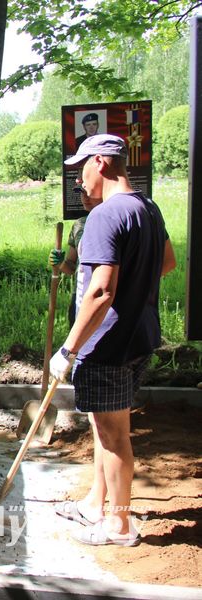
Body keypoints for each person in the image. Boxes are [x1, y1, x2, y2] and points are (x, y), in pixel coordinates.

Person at [49, 134, 177, 547]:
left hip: (106, 344)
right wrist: (135, 288)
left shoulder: (105, 215)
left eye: (81, 166)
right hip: (139, 337)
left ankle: (120, 526)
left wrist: (69, 347)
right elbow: (168, 261)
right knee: (103, 424)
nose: (79, 178)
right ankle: (95, 503)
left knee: (114, 435)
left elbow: (100, 291)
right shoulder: (147, 208)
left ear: (101, 162)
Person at [49, 188, 103, 327]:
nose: (85, 197)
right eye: (81, 192)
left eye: (89, 192)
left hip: (104, 294)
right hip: (80, 294)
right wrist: (60, 264)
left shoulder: (112, 220)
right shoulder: (79, 225)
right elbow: (72, 267)